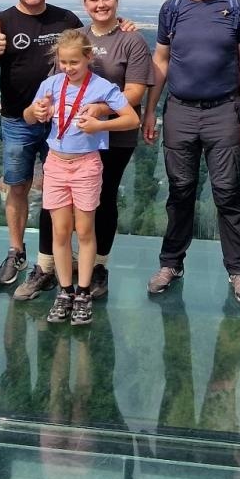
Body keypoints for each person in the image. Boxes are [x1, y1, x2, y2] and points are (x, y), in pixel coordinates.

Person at [142, 0, 240, 303]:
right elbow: (160, 61)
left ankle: (239, 270)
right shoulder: (172, 8)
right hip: (179, 109)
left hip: (225, 110)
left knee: (226, 192)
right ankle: (171, 263)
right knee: (180, 192)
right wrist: (150, 109)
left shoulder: (235, 7)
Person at [0, 0, 83, 300]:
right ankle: (16, 252)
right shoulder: (2, 21)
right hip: (17, 120)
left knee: (62, 192)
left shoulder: (66, 19)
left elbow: (88, 55)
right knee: (17, 186)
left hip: (59, 122)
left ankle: (60, 255)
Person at [23, 29, 141, 326]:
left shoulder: (102, 87)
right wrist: (35, 111)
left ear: (89, 57)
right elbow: (28, 116)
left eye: (74, 61)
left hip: (86, 166)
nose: (68, 68)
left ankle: (84, 292)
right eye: (63, 62)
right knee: (60, 233)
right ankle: (64, 291)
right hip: (55, 165)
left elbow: (132, 119)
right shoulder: (50, 84)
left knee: (85, 231)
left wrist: (99, 126)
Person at [81, 0, 153, 299]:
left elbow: (136, 92)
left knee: (104, 197)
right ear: (85, 4)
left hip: (117, 133)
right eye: (94, 0)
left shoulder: (132, 40)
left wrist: (100, 110)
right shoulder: (77, 38)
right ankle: (70, 265)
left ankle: (99, 266)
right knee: (78, 201)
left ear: (116, 0)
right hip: (79, 135)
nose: (101, 5)